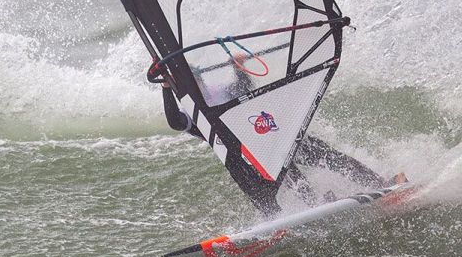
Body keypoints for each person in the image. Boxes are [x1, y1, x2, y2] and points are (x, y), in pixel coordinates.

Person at [159, 74, 393, 206]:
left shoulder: (219, 88)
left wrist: (239, 67)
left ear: (199, 78)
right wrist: (166, 87)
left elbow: (244, 85)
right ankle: (319, 205)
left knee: (328, 157)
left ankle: (381, 183)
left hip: (279, 133)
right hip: (256, 153)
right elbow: (174, 121)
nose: (197, 85)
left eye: (196, 79)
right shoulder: (191, 112)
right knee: (292, 178)